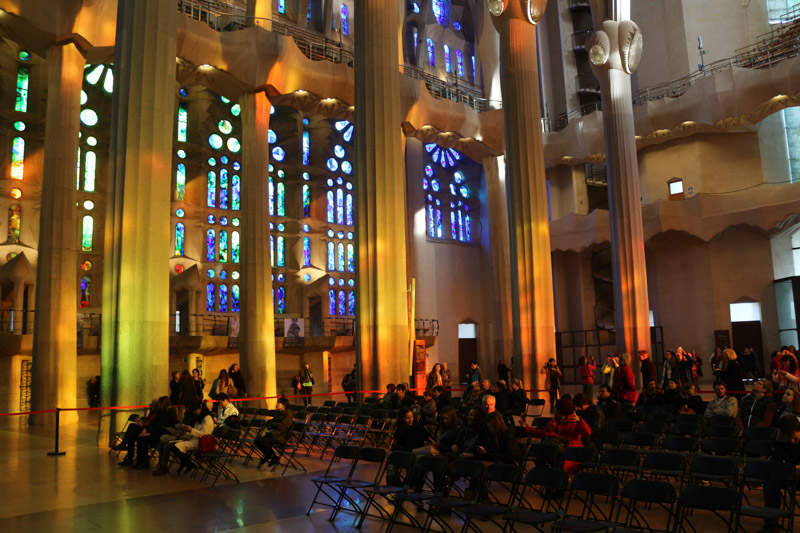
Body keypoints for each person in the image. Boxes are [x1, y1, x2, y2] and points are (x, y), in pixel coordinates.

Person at [522, 398, 591, 475]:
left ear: (561, 410)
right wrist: (527, 429)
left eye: (556, 408)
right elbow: (542, 433)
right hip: (555, 448)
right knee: (540, 454)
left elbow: (587, 432)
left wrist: (580, 421)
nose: (554, 410)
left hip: (570, 450)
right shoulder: (555, 421)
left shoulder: (574, 421)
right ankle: (547, 477)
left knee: (555, 456)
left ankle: (555, 479)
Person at [153, 401, 214, 475]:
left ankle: (187, 462)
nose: (195, 412)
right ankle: (185, 463)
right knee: (167, 443)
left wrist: (191, 430)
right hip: (192, 438)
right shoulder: (199, 418)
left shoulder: (208, 419)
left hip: (201, 441)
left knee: (172, 446)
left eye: (196, 410)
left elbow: (205, 434)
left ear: (201, 409)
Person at [133, 396, 178, 469]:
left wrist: (149, 433)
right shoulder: (163, 412)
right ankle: (140, 461)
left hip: (162, 433)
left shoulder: (170, 412)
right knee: (140, 438)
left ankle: (144, 462)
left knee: (144, 439)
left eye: (160, 403)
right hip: (157, 432)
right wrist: (146, 430)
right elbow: (153, 423)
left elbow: (162, 427)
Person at [255, 397, 293, 467]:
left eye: (278, 403)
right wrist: (268, 421)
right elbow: (272, 423)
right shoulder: (278, 413)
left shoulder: (288, 414)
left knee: (263, 441)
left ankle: (271, 456)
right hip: (273, 434)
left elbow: (283, 427)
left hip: (281, 436)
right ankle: (271, 455)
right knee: (257, 440)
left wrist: (272, 423)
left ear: (284, 406)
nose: (277, 404)